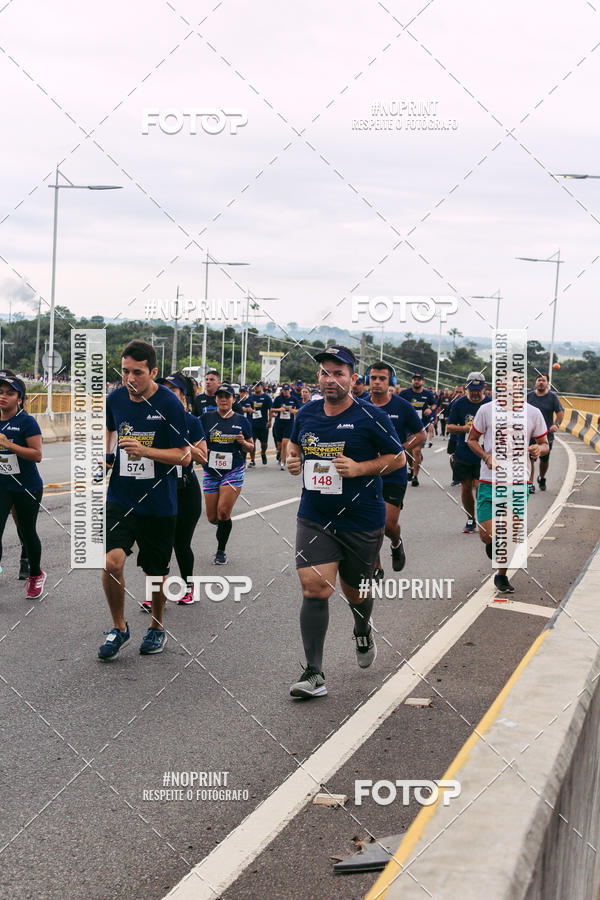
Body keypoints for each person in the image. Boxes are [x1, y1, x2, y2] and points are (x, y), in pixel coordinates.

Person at [286, 346, 405, 699]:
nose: (330, 379)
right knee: (314, 587)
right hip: (315, 516)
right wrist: (292, 461)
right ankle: (314, 673)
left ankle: (362, 627)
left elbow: (397, 459)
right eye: (324, 372)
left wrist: (360, 468)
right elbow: (294, 448)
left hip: (361, 518)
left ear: (354, 378)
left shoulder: (371, 415)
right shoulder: (307, 412)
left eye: (338, 373)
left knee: (356, 592)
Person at [99, 341, 189, 660]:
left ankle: (156, 626)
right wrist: (107, 455)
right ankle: (119, 627)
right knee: (111, 562)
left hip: (159, 503)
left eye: (137, 372)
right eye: (125, 371)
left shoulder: (169, 404)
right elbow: (110, 428)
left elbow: (184, 456)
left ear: (153, 371)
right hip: (121, 496)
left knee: (155, 572)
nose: (130, 378)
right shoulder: (115, 398)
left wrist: (146, 451)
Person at [467, 394, 548, 594]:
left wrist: (539, 449)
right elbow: (472, 440)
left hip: (518, 482)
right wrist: (486, 457)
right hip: (489, 481)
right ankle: (493, 543)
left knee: (511, 532)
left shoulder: (533, 412)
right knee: (487, 536)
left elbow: (545, 443)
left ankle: (501, 575)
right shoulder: (486, 410)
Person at [365, 362, 425, 574]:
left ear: (391, 381)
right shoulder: (359, 405)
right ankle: (376, 566)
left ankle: (396, 543)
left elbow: (421, 434)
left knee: (386, 525)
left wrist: (402, 448)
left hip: (394, 474)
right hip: (367, 473)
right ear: (367, 380)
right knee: (370, 524)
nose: (377, 382)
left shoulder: (402, 406)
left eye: (382, 378)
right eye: (374, 378)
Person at [156, 373, 207, 605]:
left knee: (181, 542)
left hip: (185, 490)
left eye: (173, 389)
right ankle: (155, 594)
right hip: (159, 488)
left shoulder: (192, 422)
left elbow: (203, 457)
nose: (167, 392)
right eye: (164, 388)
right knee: (158, 543)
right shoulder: (153, 419)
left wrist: (182, 444)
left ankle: (188, 587)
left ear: (183, 396)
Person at [0, 371, 46, 598]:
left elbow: (36, 455)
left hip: (26, 485)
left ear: (19, 398)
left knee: (27, 532)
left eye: (9, 393)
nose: (3, 397)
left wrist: (9, 445)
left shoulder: (27, 422)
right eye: (0, 392)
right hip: (2, 486)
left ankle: (36, 574)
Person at [201, 384, 254, 564]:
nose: (223, 399)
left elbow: (251, 446)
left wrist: (243, 443)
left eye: (227, 396)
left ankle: (220, 550)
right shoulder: (206, 418)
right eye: (220, 396)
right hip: (211, 470)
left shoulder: (241, 420)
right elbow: (197, 441)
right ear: (215, 398)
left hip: (233, 469)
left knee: (223, 512)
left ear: (233, 399)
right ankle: (224, 526)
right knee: (212, 517)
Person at [446, 372, 490, 534]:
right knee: (465, 487)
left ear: (484, 388)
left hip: (484, 453)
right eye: (472, 389)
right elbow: (449, 427)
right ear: (467, 388)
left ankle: (484, 518)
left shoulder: (491, 404)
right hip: (463, 452)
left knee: (480, 487)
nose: (475, 393)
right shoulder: (459, 404)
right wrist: (464, 429)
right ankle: (470, 517)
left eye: (478, 389)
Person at [527, 373, 564, 491]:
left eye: (543, 380)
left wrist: (556, 425)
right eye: (539, 380)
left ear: (547, 383)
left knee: (544, 459)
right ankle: (530, 483)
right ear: (535, 382)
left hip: (546, 433)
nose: (541, 382)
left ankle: (541, 477)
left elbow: (560, 412)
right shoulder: (529, 396)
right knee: (530, 457)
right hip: (531, 433)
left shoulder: (552, 397)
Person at [399, 373, 436, 486]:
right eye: (414, 379)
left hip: (421, 427)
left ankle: (415, 476)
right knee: (408, 451)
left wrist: (430, 409)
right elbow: (397, 404)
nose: (416, 381)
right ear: (412, 381)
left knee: (417, 450)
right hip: (407, 426)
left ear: (422, 382)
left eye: (419, 380)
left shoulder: (428, 394)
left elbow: (434, 404)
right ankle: (411, 466)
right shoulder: (405, 393)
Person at [242, 381, 272, 466]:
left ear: (261, 387)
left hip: (263, 424)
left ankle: (263, 453)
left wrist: (269, 421)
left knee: (264, 443)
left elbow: (270, 409)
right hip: (252, 424)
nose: (256, 387)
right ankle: (252, 460)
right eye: (254, 386)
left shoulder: (266, 397)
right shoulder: (250, 398)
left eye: (257, 386)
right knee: (252, 442)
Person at [271, 383, 300, 470]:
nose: (286, 392)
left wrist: (293, 411)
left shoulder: (294, 399)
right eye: (284, 390)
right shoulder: (278, 399)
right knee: (279, 445)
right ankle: (280, 454)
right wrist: (279, 410)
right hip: (279, 424)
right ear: (282, 390)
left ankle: (283, 462)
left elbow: (299, 410)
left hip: (289, 424)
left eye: (287, 390)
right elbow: (272, 409)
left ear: (289, 390)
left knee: (284, 444)